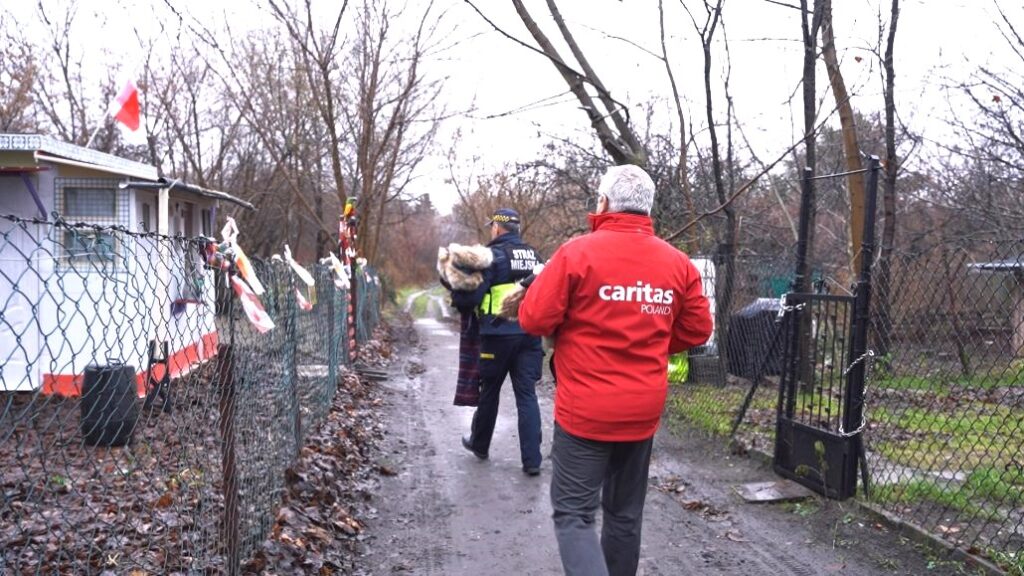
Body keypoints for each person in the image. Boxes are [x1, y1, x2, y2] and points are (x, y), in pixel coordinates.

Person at [518, 165, 713, 576]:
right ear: (647, 208)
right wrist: (651, 339)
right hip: (642, 410)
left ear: (604, 203)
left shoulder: (577, 253)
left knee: (574, 515)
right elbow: (698, 329)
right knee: (624, 516)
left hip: (585, 410)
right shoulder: (678, 264)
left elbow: (534, 318)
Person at [450, 208, 544, 476]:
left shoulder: (493, 257)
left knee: (490, 391)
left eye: (492, 226)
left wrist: (457, 294)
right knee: (526, 395)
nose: (491, 230)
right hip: (529, 334)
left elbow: (473, 297)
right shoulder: (535, 256)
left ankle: (480, 445)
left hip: (496, 335)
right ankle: (532, 461)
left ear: (498, 228)